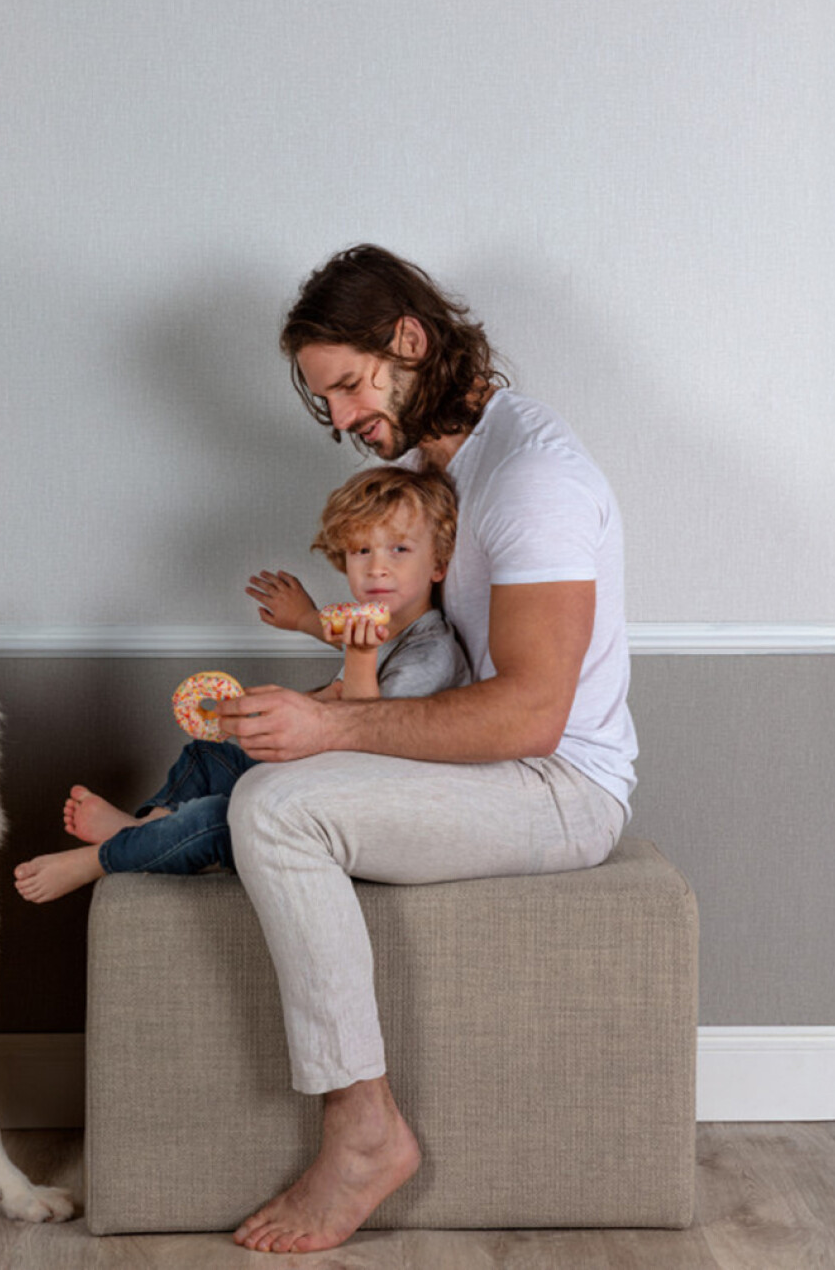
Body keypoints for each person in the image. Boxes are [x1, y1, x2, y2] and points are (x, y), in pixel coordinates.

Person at [219, 244, 638, 1255]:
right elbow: (393, 646)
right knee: (259, 764)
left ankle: (366, 1132)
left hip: (562, 784)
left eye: (350, 386)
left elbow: (532, 714)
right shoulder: (433, 474)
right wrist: (311, 701)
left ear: (409, 341)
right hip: (497, 760)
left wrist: (330, 728)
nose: (342, 421)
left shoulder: (531, 478)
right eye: (326, 402)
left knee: (276, 812)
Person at [13, 466, 470, 904]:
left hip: (353, 825)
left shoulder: (429, 654)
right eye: (362, 551)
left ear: (438, 565)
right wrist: (300, 629)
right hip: (320, 788)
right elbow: (340, 678)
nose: (377, 568)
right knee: (206, 756)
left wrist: (358, 657)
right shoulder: (380, 632)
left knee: (218, 818)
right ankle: (144, 830)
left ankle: (102, 858)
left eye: (399, 550)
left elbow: (366, 742)